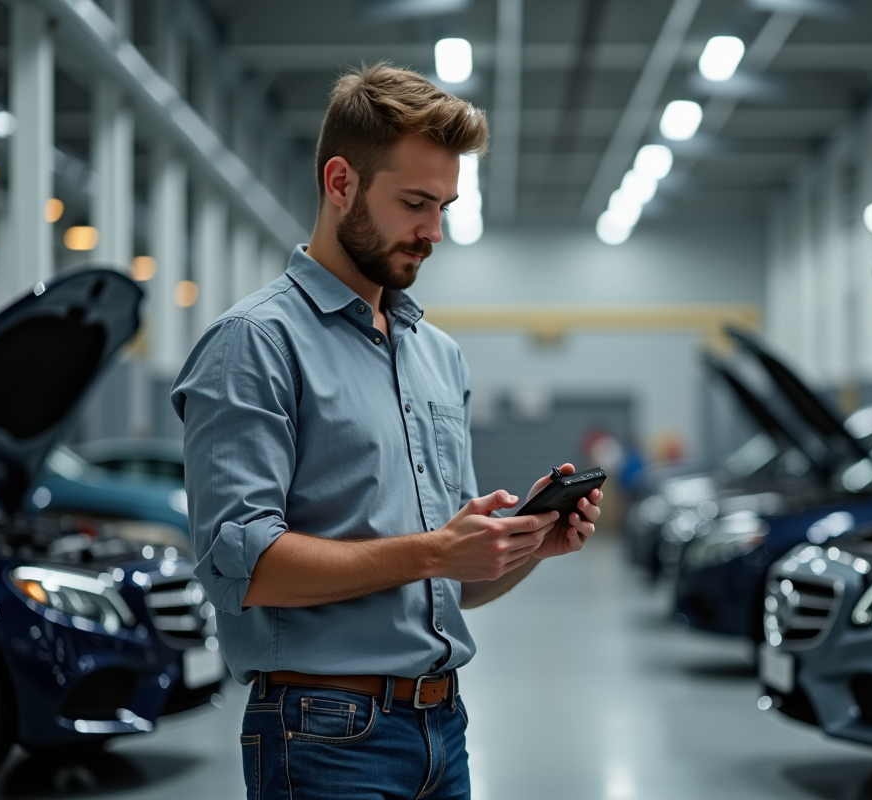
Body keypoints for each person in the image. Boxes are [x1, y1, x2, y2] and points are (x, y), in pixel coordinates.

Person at [170, 63, 602, 800]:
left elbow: (451, 583)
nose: (434, 232)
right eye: (414, 203)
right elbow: (242, 566)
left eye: (444, 207)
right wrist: (437, 549)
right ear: (341, 182)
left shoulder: (438, 355)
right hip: (322, 737)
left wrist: (526, 545)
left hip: (443, 730)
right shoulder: (256, 343)